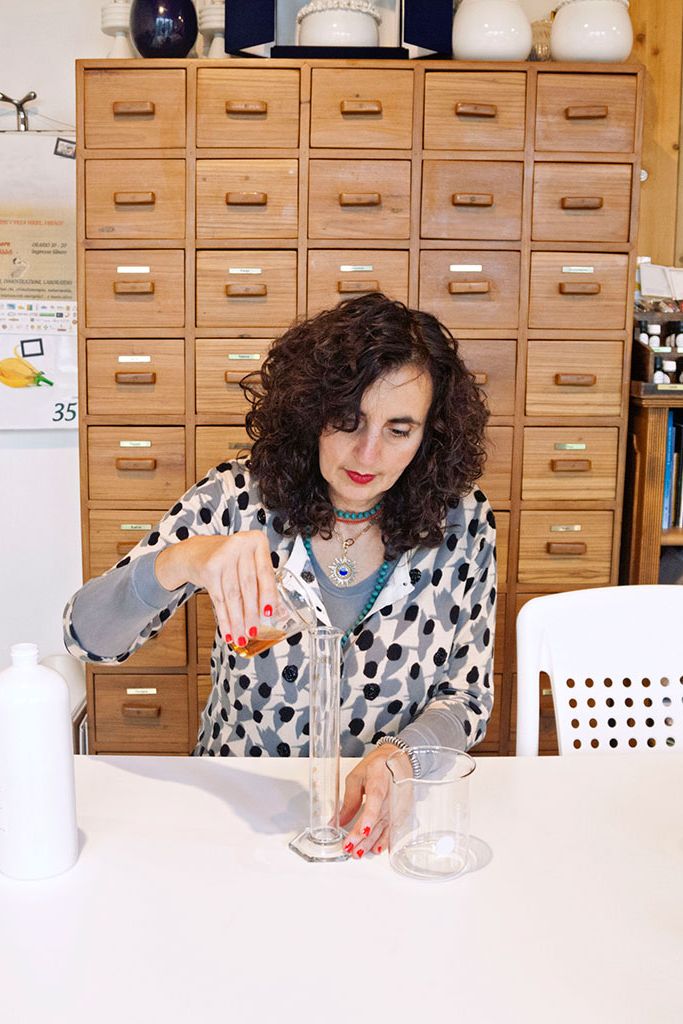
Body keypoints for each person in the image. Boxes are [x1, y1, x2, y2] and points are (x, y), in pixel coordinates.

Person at [64, 293, 496, 859]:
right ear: (311, 410)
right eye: (348, 420)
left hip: (383, 821)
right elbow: (85, 637)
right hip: (238, 813)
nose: (367, 452)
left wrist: (402, 755)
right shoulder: (238, 498)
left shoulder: (462, 522)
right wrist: (185, 559)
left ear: (428, 435)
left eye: (399, 429)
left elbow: (467, 697)